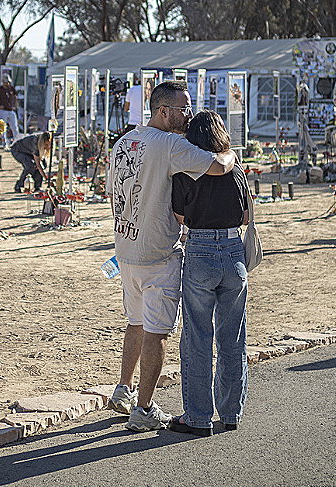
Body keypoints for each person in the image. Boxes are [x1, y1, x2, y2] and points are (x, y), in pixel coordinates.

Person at [106, 80, 236, 432]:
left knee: (134, 321)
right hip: (158, 254)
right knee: (157, 332)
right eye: (183, 107)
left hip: (125, 249)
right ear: (164, 111)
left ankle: (124, 388)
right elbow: (217, 166)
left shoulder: (122, 143)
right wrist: (231, 153)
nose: (189, 113)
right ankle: (144, 407)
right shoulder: (171, 145)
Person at [168, 110, 249, 437]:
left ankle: (198, 418)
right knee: (232, 338)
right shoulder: (236, 169)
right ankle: (231, 414)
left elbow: (179, 216)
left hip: (200, 251)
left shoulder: (186, 172)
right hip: (233, 252)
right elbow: (245, 216)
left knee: (197, 338)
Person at [0, 74, 21, 146]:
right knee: (3, 127)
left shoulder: (11, 88)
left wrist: (15, 104)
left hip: (11, 110)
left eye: (8, 82)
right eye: (6, 82)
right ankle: (4, 142)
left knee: (14, 126)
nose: (7, 83)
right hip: (3, 111)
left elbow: (15, 96)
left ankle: (17, 142)